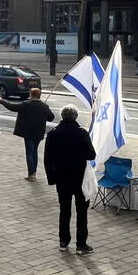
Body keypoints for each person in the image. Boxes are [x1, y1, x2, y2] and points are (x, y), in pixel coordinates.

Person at [44, 104, 96, 255]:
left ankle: (63, 241)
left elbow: (48, 159)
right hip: (80, 178)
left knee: (64, 210)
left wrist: (52, 178)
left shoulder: (53, 133)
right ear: (75, 117)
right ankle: (81, 245)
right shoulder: (81, 133)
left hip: (62, 178)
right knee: (82, 212)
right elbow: (91, 155)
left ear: (62, 116)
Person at [0, 87, 55, 181]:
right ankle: (34, 172)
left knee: (29, 153)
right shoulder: (44, 106)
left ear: (31, 95)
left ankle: (31, 174)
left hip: (28, 132)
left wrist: (2, 101)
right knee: (34, 152)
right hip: (39, 132)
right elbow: (51, 117)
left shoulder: (26, 104)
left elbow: (12, 107)